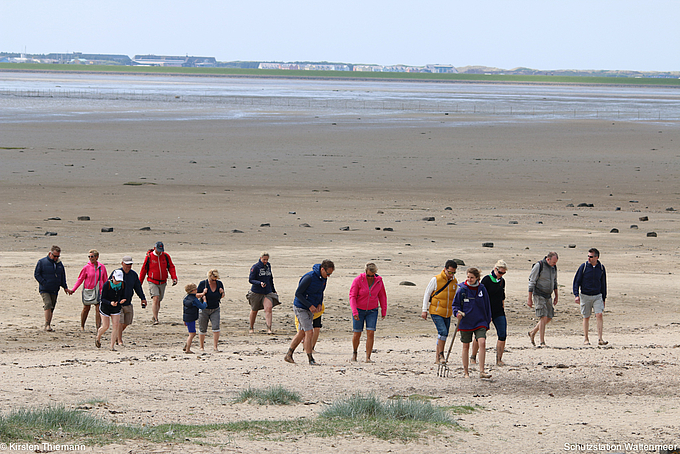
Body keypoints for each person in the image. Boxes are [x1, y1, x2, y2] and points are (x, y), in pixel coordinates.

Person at [284, 260, 334, 365]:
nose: (328, 276)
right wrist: (309, 305)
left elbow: (321, 292)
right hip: (301, 307)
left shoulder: (323, 279)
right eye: (328, 273)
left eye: (330, 274)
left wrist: (319, 303)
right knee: (309, 332)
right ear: (322, 269)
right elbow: (298, 293)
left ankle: (289, 354)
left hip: (311, 308)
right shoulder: (309, 277)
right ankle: (310, 359)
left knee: (302, 332)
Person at [453, 267, 493, 379]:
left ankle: (482, 371)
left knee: (482, 342)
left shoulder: (482, 289)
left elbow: (487, 305)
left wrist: (488, 319)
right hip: (466, 322)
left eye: (472, 277)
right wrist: (457, 313)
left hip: (480, 321)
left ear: (477, 278)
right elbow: (455, 305)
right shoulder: (462, 289)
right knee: (466, 346)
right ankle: (466, 372)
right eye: (468, 277)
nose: (469, 279)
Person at [421, 260, 458, 364]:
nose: (451, 275)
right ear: (445, 269)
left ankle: (438, 359)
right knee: (443, 332)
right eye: (450, 272)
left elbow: (457, 296)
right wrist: (424, 310)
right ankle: (441, 355)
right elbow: (427, 294)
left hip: (447, 312)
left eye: (454, 272)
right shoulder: (435, 279)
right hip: (436, 311)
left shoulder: (455, 281)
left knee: (443, 335)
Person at [349, 262, 387, 363]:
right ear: (365, 272)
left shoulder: (379, 281)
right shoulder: (358, 280)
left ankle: (368, 357)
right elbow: (352, 296)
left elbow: (382, 295)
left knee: (371, 332)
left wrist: (384, 310)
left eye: (372, 275)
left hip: (372, 310)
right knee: (357, 333)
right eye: (369, 275)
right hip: (359, 309)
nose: (370, 277)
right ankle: (355, 353)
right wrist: (354, 311)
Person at [474, 260, 508, 366]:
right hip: (485, 311)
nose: (501, 275)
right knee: (480, 335)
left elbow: (502, 297)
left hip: (498, 311)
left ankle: (499, 359)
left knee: (502, 334)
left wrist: (502, 308)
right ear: (495, 269)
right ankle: (473, 357)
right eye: (500, 272)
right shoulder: (486, 280)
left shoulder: (502, 281)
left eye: (503, 273)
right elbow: (480, 297)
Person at [573, 248, 608, 346]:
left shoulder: (601, 268)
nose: (589, 258)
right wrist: (576, 295)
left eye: (591, 256)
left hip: (597, 295)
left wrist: (604, 298)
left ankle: (600, 339)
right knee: (586, 317)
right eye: (588, 256)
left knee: (599, 315)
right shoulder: (583, 267)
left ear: (596, 257)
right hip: (585, 295)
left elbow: (603, 283)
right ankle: (586, 339)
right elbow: (576, 281)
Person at [34, 245, 72, 331]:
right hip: (44, 289)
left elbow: (62, 276)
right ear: (50, 253)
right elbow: (37, 274)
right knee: (48, 304)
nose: (56, 258)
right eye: (55, 256)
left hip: (55, 289)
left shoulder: (59, 264)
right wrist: (44, 283)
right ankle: (47, 325)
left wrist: (65, 287)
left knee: (52, 307)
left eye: (58, 256)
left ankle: (48, 324)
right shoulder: (42, 262)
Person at [139, 241, 177, 325]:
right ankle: (156, 319)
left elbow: (171, 267)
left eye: (161, 250)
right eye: (158, 250)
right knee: (155, 298)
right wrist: (139, 283)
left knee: (159, 300)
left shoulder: (166, 256)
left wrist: (174, 277)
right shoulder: (149, 257)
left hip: (163, 281)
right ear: (154, 248)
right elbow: (143, 270)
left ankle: (154, 315)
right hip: (152, 280)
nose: (160, 252)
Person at [112, 256, 147, 345]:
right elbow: (109, 285)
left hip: (128, 302)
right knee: (120, 322)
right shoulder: (117, 273)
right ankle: (119, 340)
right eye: (127, 264)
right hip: (118, 303)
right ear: (122, 263)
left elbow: (138, 287)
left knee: (127, 322)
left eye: (130, 264)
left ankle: (116, 335)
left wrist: (142, 298)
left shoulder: (133, 275)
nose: (129, 266)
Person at [70, 249, 107, 331]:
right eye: (89, 256)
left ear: (97, 257)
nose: (90, 258)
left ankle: (98, 327)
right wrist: (73, 289)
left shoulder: (102, 267)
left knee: (98, 308)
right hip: (88, 291)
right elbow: (80, 279)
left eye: (92, 256)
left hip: (99, 291)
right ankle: (82, 325)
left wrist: (107, 291)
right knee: (86, 308)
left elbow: (105, 280)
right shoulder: (86, 268)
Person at [527, 252, 559, 347]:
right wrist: (530, 298)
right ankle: (542, 342)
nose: (554, 264)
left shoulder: (554, 267)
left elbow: (555, 281)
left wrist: (556, 295)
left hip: (548, 295)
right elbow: (531, 281)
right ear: (548, 259)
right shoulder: (539, 266)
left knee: (549, 316)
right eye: (553, 262)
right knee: (543, 316)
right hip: (538, 294)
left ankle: (533, 332)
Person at [247, 252, 280, 334]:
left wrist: (273, 289)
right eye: (264, 259)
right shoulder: (255, 267)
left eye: (267, 259)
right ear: (260, 258)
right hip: (256, 292)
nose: (265, 261)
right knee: (254, 310)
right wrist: (260, 283)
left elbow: (270, 278)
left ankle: (269, 328)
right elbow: (251, 280)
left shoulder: (268, 266)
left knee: (268, 308)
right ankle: (251, 327)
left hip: (267, 292)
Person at [96, 269, 126, 351]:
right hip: (105, 307)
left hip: (116, 307)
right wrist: (110, 303)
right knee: (106, 326)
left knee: (115, 325)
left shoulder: (123, 284)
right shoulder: (107, 285)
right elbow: (102, 298)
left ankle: (112, 346)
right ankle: (98, 337)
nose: (118, 282)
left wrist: (122, 300)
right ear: (113, 277)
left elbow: (124, 295)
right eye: (117, 280)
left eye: (120, 280)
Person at [197, 269, 225, 352]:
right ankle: (201, 346)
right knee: (202, 328)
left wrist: (222, 293)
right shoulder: (203, 284)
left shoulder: (219, 284)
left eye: (215, 279)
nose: (214, 281)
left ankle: (215, 346)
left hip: (215, 308)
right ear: (209, 277)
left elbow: (222, 296)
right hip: (204, 309)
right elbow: (196, 295)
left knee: (216, 327)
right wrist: (203, 293)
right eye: (212, 279)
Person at [183, 283, 207, 354]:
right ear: (193, 290)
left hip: (187, 317)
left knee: (191, 333)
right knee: (192, 334)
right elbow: (202, 307)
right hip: (191, 318)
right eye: (196, 289)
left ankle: (186, 346)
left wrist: (202, 293)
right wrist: (205, 301)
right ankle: (187, 349)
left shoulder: (186, 298)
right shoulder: (194, 300)